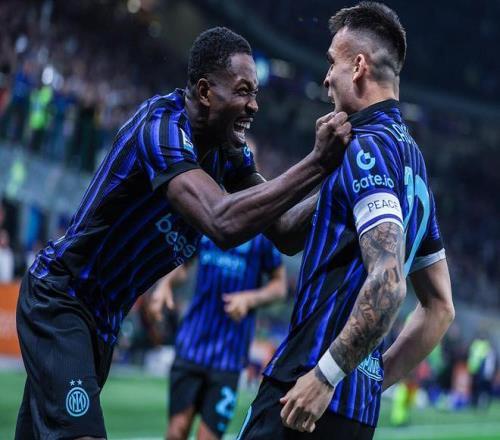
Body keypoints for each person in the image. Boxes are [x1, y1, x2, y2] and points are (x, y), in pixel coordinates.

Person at [15, 27, 351, 440]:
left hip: (101, 323)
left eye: (255, 93)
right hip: (61, 300)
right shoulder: (161, 126)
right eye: (243, 91)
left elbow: (284, 231)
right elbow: (221, 222)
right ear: (206, 92)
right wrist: (318, 162)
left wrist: (342, 178)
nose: (254, 105)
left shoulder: (227, 154)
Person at [237, 3, 455, 439]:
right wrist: (366, 380)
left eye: (331, 63)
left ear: (357, 66)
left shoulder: (365, 147)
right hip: (355, 412)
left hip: (303, 388)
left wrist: (325, 376)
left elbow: (388, 283)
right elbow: (440, 308)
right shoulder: (414, 167)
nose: (325, 78)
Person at [148, 233, 286, 440]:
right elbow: (184, 266)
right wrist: (165, 284)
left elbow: (279, 287)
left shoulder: (261, 234)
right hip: (191, 345)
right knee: (176, 431)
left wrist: (249, 299)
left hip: (229, 357)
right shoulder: (206, 222)